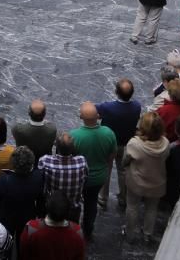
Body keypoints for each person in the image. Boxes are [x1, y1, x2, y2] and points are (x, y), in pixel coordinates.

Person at [122, 112, 171, 244]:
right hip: (157, 182)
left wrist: (125, 166)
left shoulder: (135, 144)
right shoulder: (165, 143)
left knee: (132, 206)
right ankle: (147, 234)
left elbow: (126, 159)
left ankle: (130, 233)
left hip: (137, 182)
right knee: (152, 209)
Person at [69, 102, 115, 241]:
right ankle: (88, 229)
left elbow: (69, 158)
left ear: (80, 117)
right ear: (98, 116)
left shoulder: (73, 135)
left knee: (74, 202)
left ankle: (74, 229)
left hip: (79, 177)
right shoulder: (108, 132)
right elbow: (111, 157)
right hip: (99, 177)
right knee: (91, 202)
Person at [96, 78, 141, 211]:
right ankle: (123, 197)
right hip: (126, 144)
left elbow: (94, 111)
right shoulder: (137, 106)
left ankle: (103, 198)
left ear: (116, 92)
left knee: (106, 170)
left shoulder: (107, 107)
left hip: (109, 145)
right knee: (123, 171)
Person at [0, 146, 43, 252]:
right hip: (27, 216)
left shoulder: (4, 180)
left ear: (13, 164)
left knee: (7, 242)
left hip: (7, 216)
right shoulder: (38, 178)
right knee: (23, 243)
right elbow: (40, 199)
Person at [20, 190, 85, 260]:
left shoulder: (31, 229)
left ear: (46, 206)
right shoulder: (77, 232)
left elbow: (24, 254)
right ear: (68, 211)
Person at [37, 133, 86, 225]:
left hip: (53, 207)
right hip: (73, 208)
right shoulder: (81, 162)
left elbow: (40, 180)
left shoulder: (45, 161)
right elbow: (85, 178)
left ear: (57, 148)